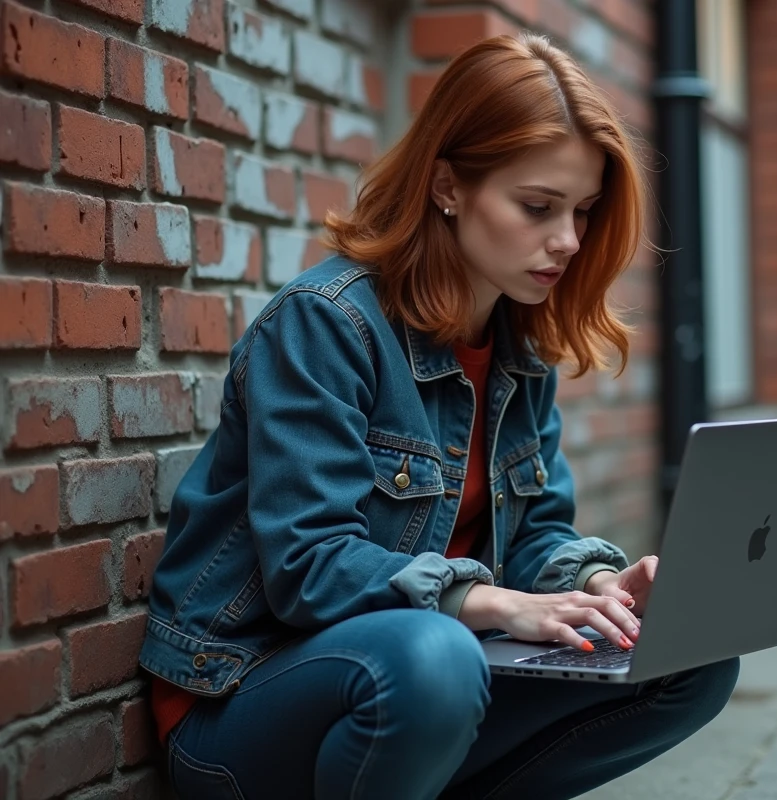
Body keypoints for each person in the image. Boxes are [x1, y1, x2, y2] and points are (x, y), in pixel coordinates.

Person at [139, 34, 739, 800]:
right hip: (248, 700)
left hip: (432, 689)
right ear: (448, 185)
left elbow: (535, 536)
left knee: (689, 658)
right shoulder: (327, 325)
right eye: (537, 206)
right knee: (435, 654)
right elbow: (309, 565)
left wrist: (598, 584)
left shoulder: (521, 344)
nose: (567, 241)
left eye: (582, 211)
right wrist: (487, 604)